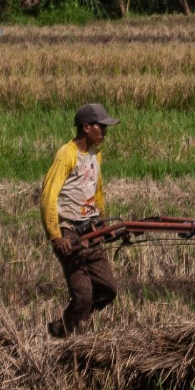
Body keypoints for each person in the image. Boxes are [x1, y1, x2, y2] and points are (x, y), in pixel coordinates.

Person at [42, 102, 119, 338]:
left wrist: (103, 223)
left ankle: (70, 323)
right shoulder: (66, 154)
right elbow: (48, 196)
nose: (104, 132)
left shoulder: (96, 154)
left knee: (107, 290)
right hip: (70, 231)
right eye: (101, 127)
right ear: (86, 127)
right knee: (84, 295)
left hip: (91, 227)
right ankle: (64, 331)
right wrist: (56, 236)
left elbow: (97, 190)